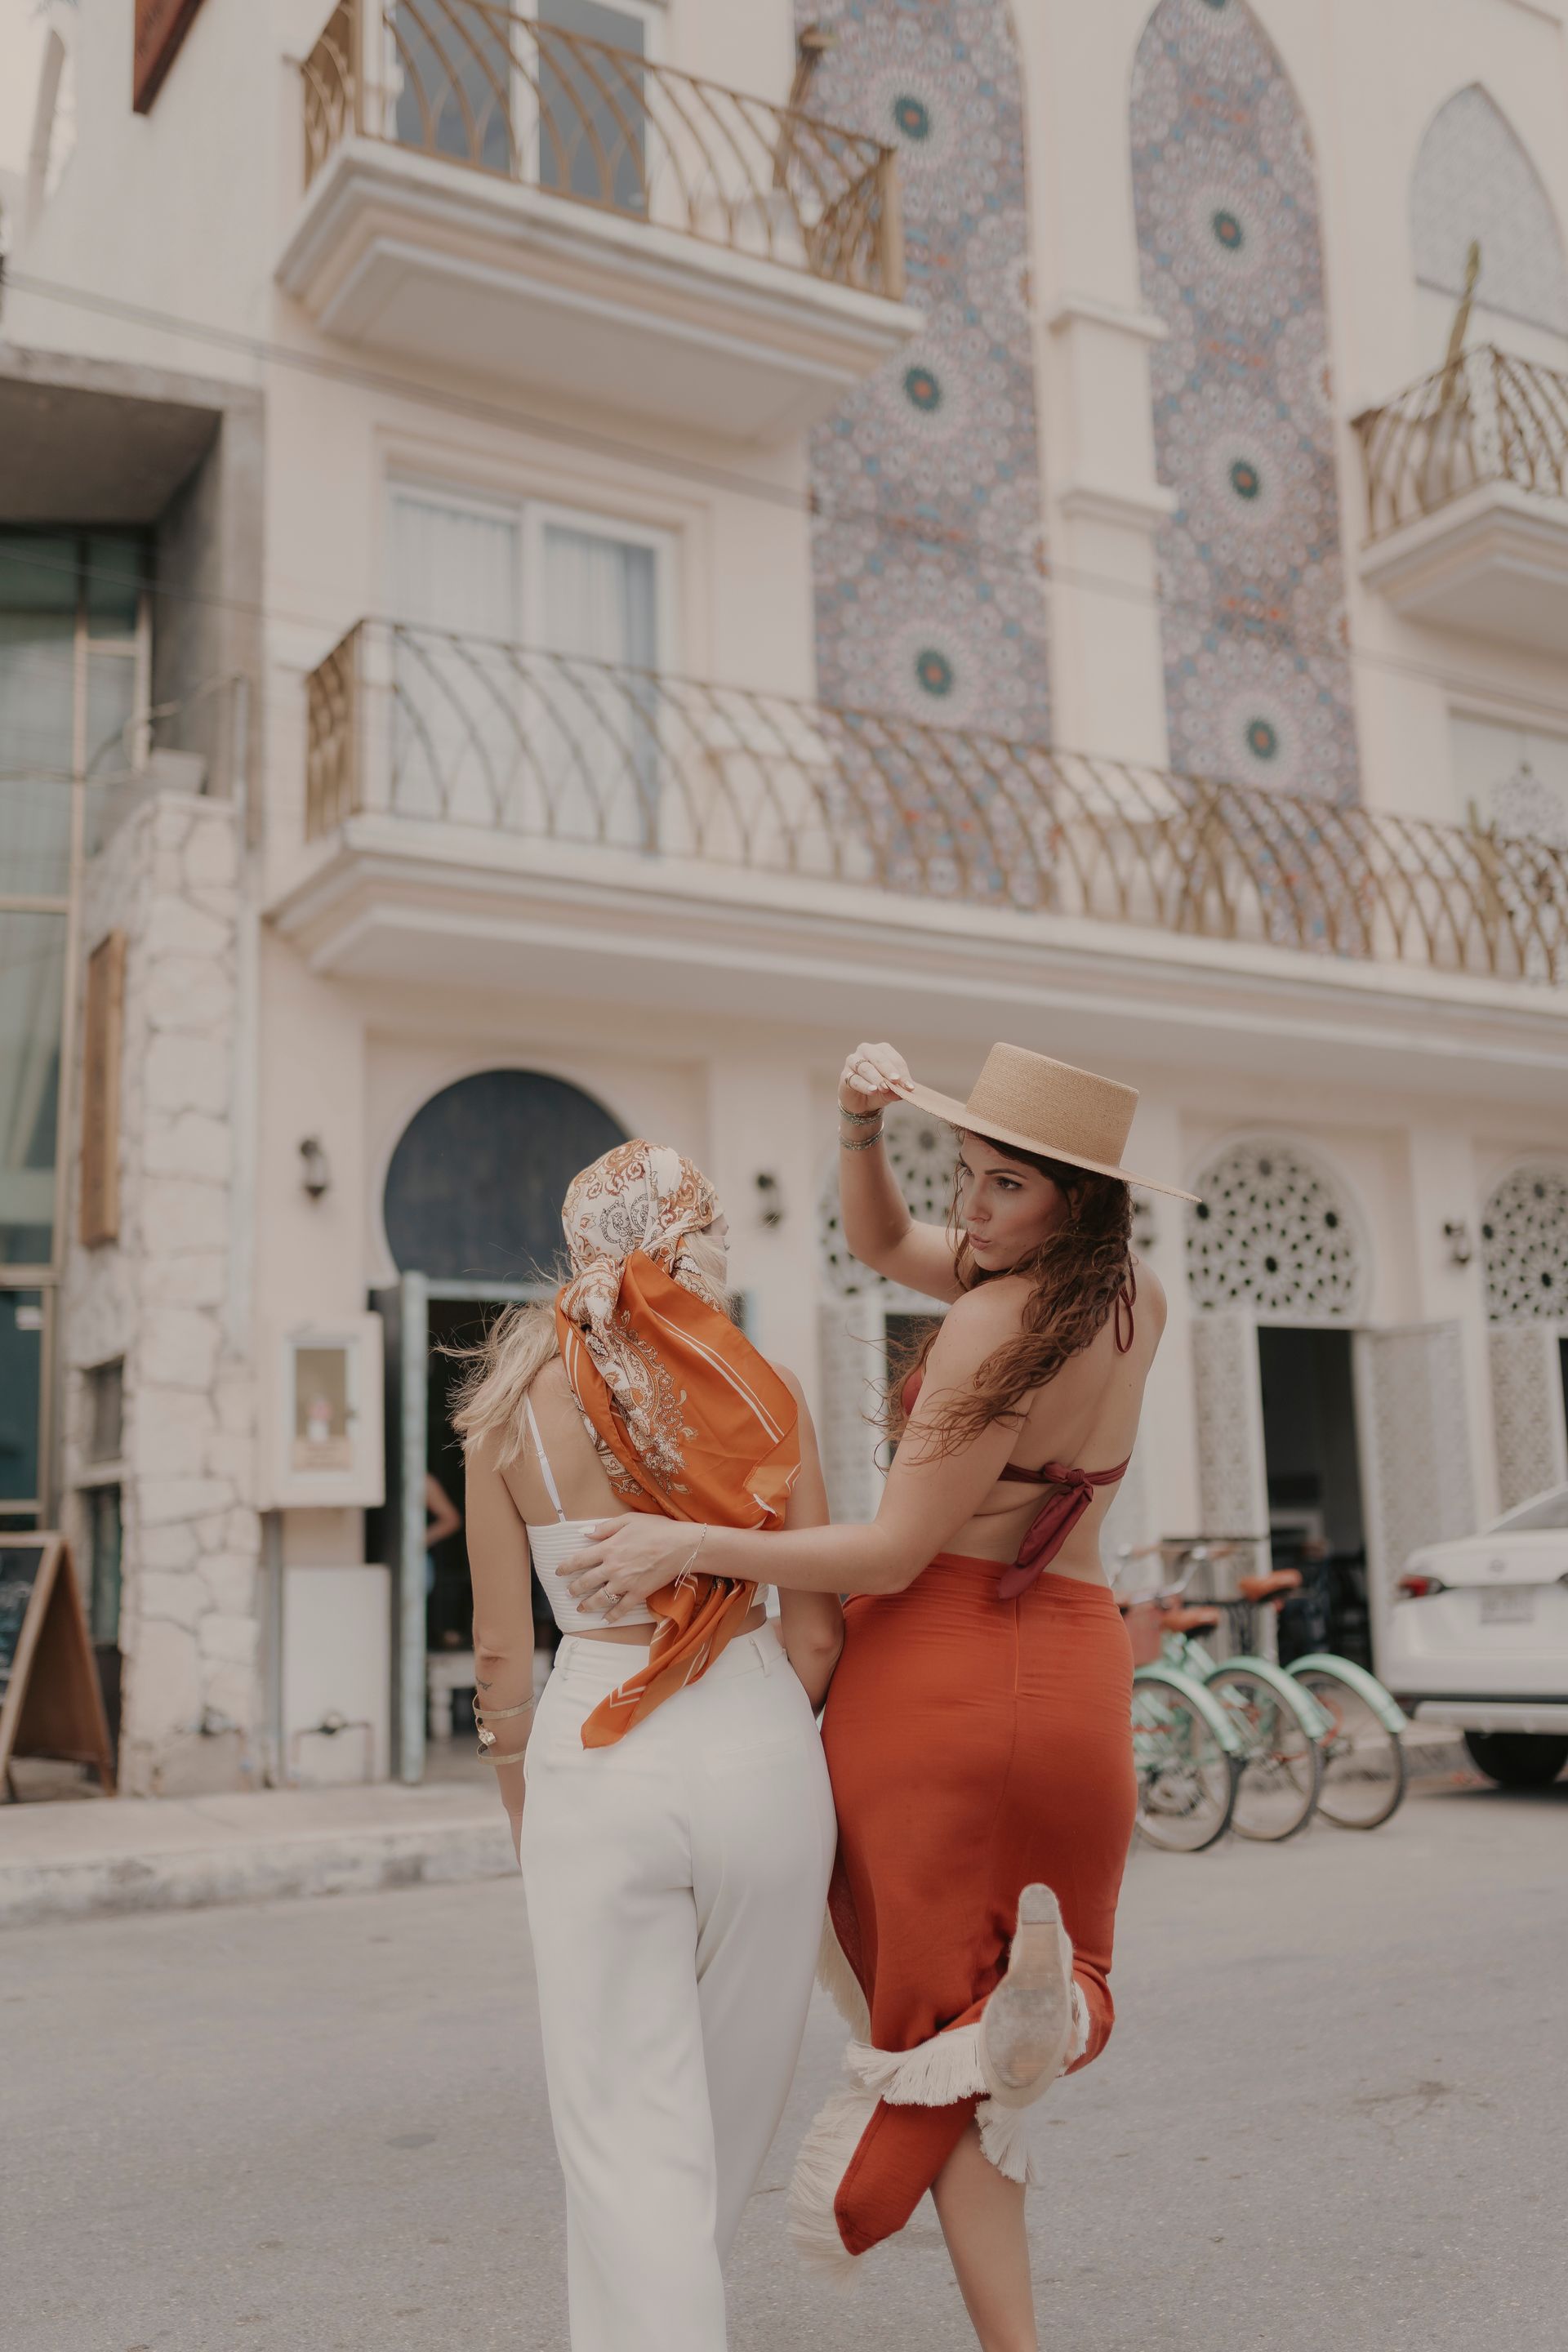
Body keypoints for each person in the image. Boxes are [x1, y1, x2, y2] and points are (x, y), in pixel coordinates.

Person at [561, 1042, 1197, 2352]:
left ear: (1070, 1197)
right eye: (966, 1173)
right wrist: (861, 1131)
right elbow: (885, 1238)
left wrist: (695, 1546)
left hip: (935, 1679)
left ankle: (889, 2165)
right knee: (1017, 2009)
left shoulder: (987, 1322)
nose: (969, 1207)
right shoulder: (1132, 1295)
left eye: (1002, 1185)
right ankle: (1057, 2020)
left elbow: (893, 1554)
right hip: (1076, 1675)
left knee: (923, 2038)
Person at [455, 1140, 842, 2352]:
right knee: (722, 2120)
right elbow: (822, 1630)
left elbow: (501, 1656)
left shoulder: (504, 1415)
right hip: (762, 1739)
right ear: (685, 1242)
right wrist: (766, 1718)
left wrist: (525, 1799)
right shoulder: (766, 1389)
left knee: (629, 2135)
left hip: (596, 1755)